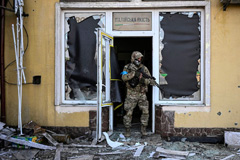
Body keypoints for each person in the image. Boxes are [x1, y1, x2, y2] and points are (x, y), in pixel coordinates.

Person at [121, 51, 155, 137]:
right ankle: (127, 130)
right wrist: (133, 74)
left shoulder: (144, 68)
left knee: (145, 112)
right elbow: (124, 78)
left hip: (142, 93)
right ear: (133, 58)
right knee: (128, 113)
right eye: (137, 58)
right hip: (131, 94)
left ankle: (143, 129)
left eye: (140, 58)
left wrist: (143, 80)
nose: (139, 60)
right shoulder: (127, 67)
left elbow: (151, 81)